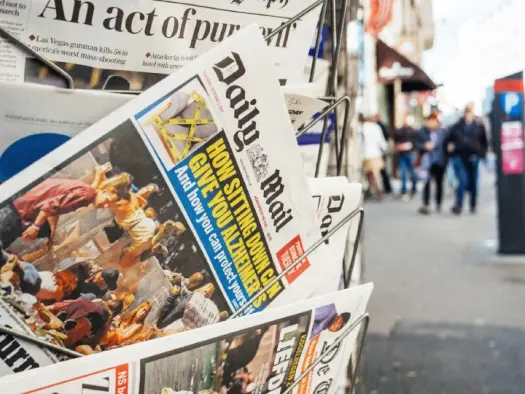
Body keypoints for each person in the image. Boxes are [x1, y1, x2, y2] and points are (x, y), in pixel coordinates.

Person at [445, 103, 489, 214]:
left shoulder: (479, 126)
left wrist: (481, 154)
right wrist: (450, 146)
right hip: (460, 156)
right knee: (462, 180)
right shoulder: (457, 126)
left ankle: (473, 204)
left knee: (473, 182)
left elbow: (484, 143)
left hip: (474, 157)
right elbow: (448, 140)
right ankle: (459, 204)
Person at [417, 114, 449, 214]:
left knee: (439, 183)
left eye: (432, 121)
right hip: (427, 161)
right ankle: (426, 204)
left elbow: (447, 144)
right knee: (426, 182)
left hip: (440, 161)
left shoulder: (443, 132)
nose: (429, 123)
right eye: (428, 121)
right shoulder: (422, 131)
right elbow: (417, 143)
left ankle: (438, 203)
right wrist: (424, 146)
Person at [360, 114, 387, 200]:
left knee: (370, 174)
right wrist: (384, 150)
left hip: (367, 154)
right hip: (375, 154)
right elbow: (381, 140)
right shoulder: (375, 127)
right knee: (374, 174)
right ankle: (375, 190)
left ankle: (375, 191)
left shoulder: (363, 127)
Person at [393, 113, 419, 200]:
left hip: (410, 153)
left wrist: (410, 146)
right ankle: (403, 190)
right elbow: (395, 143)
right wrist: (399, 147)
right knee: (403, 172)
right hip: (402, 154)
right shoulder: (398, 131)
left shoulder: (413, 131)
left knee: (413, 172)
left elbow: (416, 143)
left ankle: (414, 188)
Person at [372, 114, 393, 194]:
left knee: (381, 171)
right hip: (379, 152)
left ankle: (383, 189)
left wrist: (384, 150)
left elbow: (382, 140)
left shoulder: (379, 126)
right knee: (381, 171)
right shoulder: (379, 126)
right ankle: (384, 188)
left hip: (379, 153)